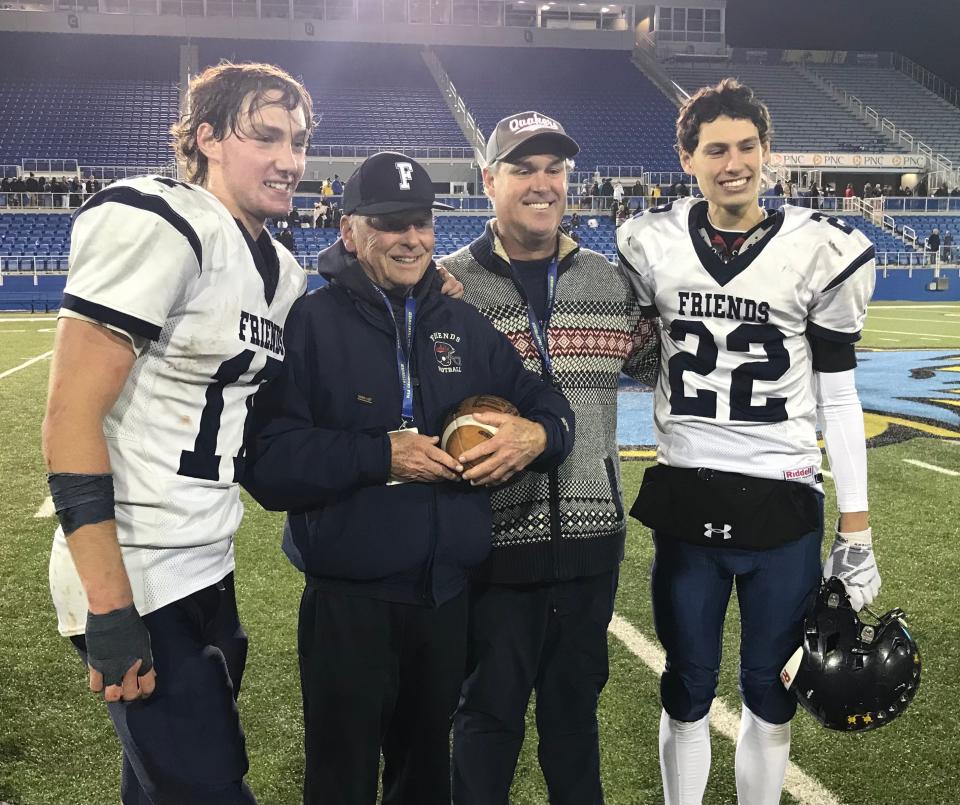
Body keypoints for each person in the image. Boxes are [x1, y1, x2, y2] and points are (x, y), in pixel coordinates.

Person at [242, 151, 574, 805]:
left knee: (424, 778)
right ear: (349, 231)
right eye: (391, 223)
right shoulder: (310, 325)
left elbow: (550, 408)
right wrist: (380, 456)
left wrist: (535, 437)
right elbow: (268, 464)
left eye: (420, 221)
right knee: (339, 779)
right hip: (349, 604)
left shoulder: (464, 325)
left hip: (447, 601)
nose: (411, 238)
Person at [42, 62, 315, 805]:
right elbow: (69, 417)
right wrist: (108, 602)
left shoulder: (283, 271)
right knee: (210, 788)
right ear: (206, 139)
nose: (290, 158)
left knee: (157, 789)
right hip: (135, 569)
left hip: (207, 565)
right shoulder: (161, 219)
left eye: (297, 140)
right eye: (266, 135)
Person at [617, 78, 879, 805]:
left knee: (772, 689)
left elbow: (838, 392)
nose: (732, 162)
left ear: (766, 151)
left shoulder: (819, 248)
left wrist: (855, 524)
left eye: (746, 147)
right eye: (715, 149)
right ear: (687, 157)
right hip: (687, 487)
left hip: (782, 494)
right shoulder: (651, 242)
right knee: (686, 683)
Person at [440, 111, 659, 805]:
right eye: (522, 168)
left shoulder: (610, 282)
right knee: (485, 724)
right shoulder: (449, 288)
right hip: (492, 551)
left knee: (574, 730)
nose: (542, 183)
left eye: (554, 169)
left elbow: (666, 361)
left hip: (593, 547)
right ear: (489, 180)